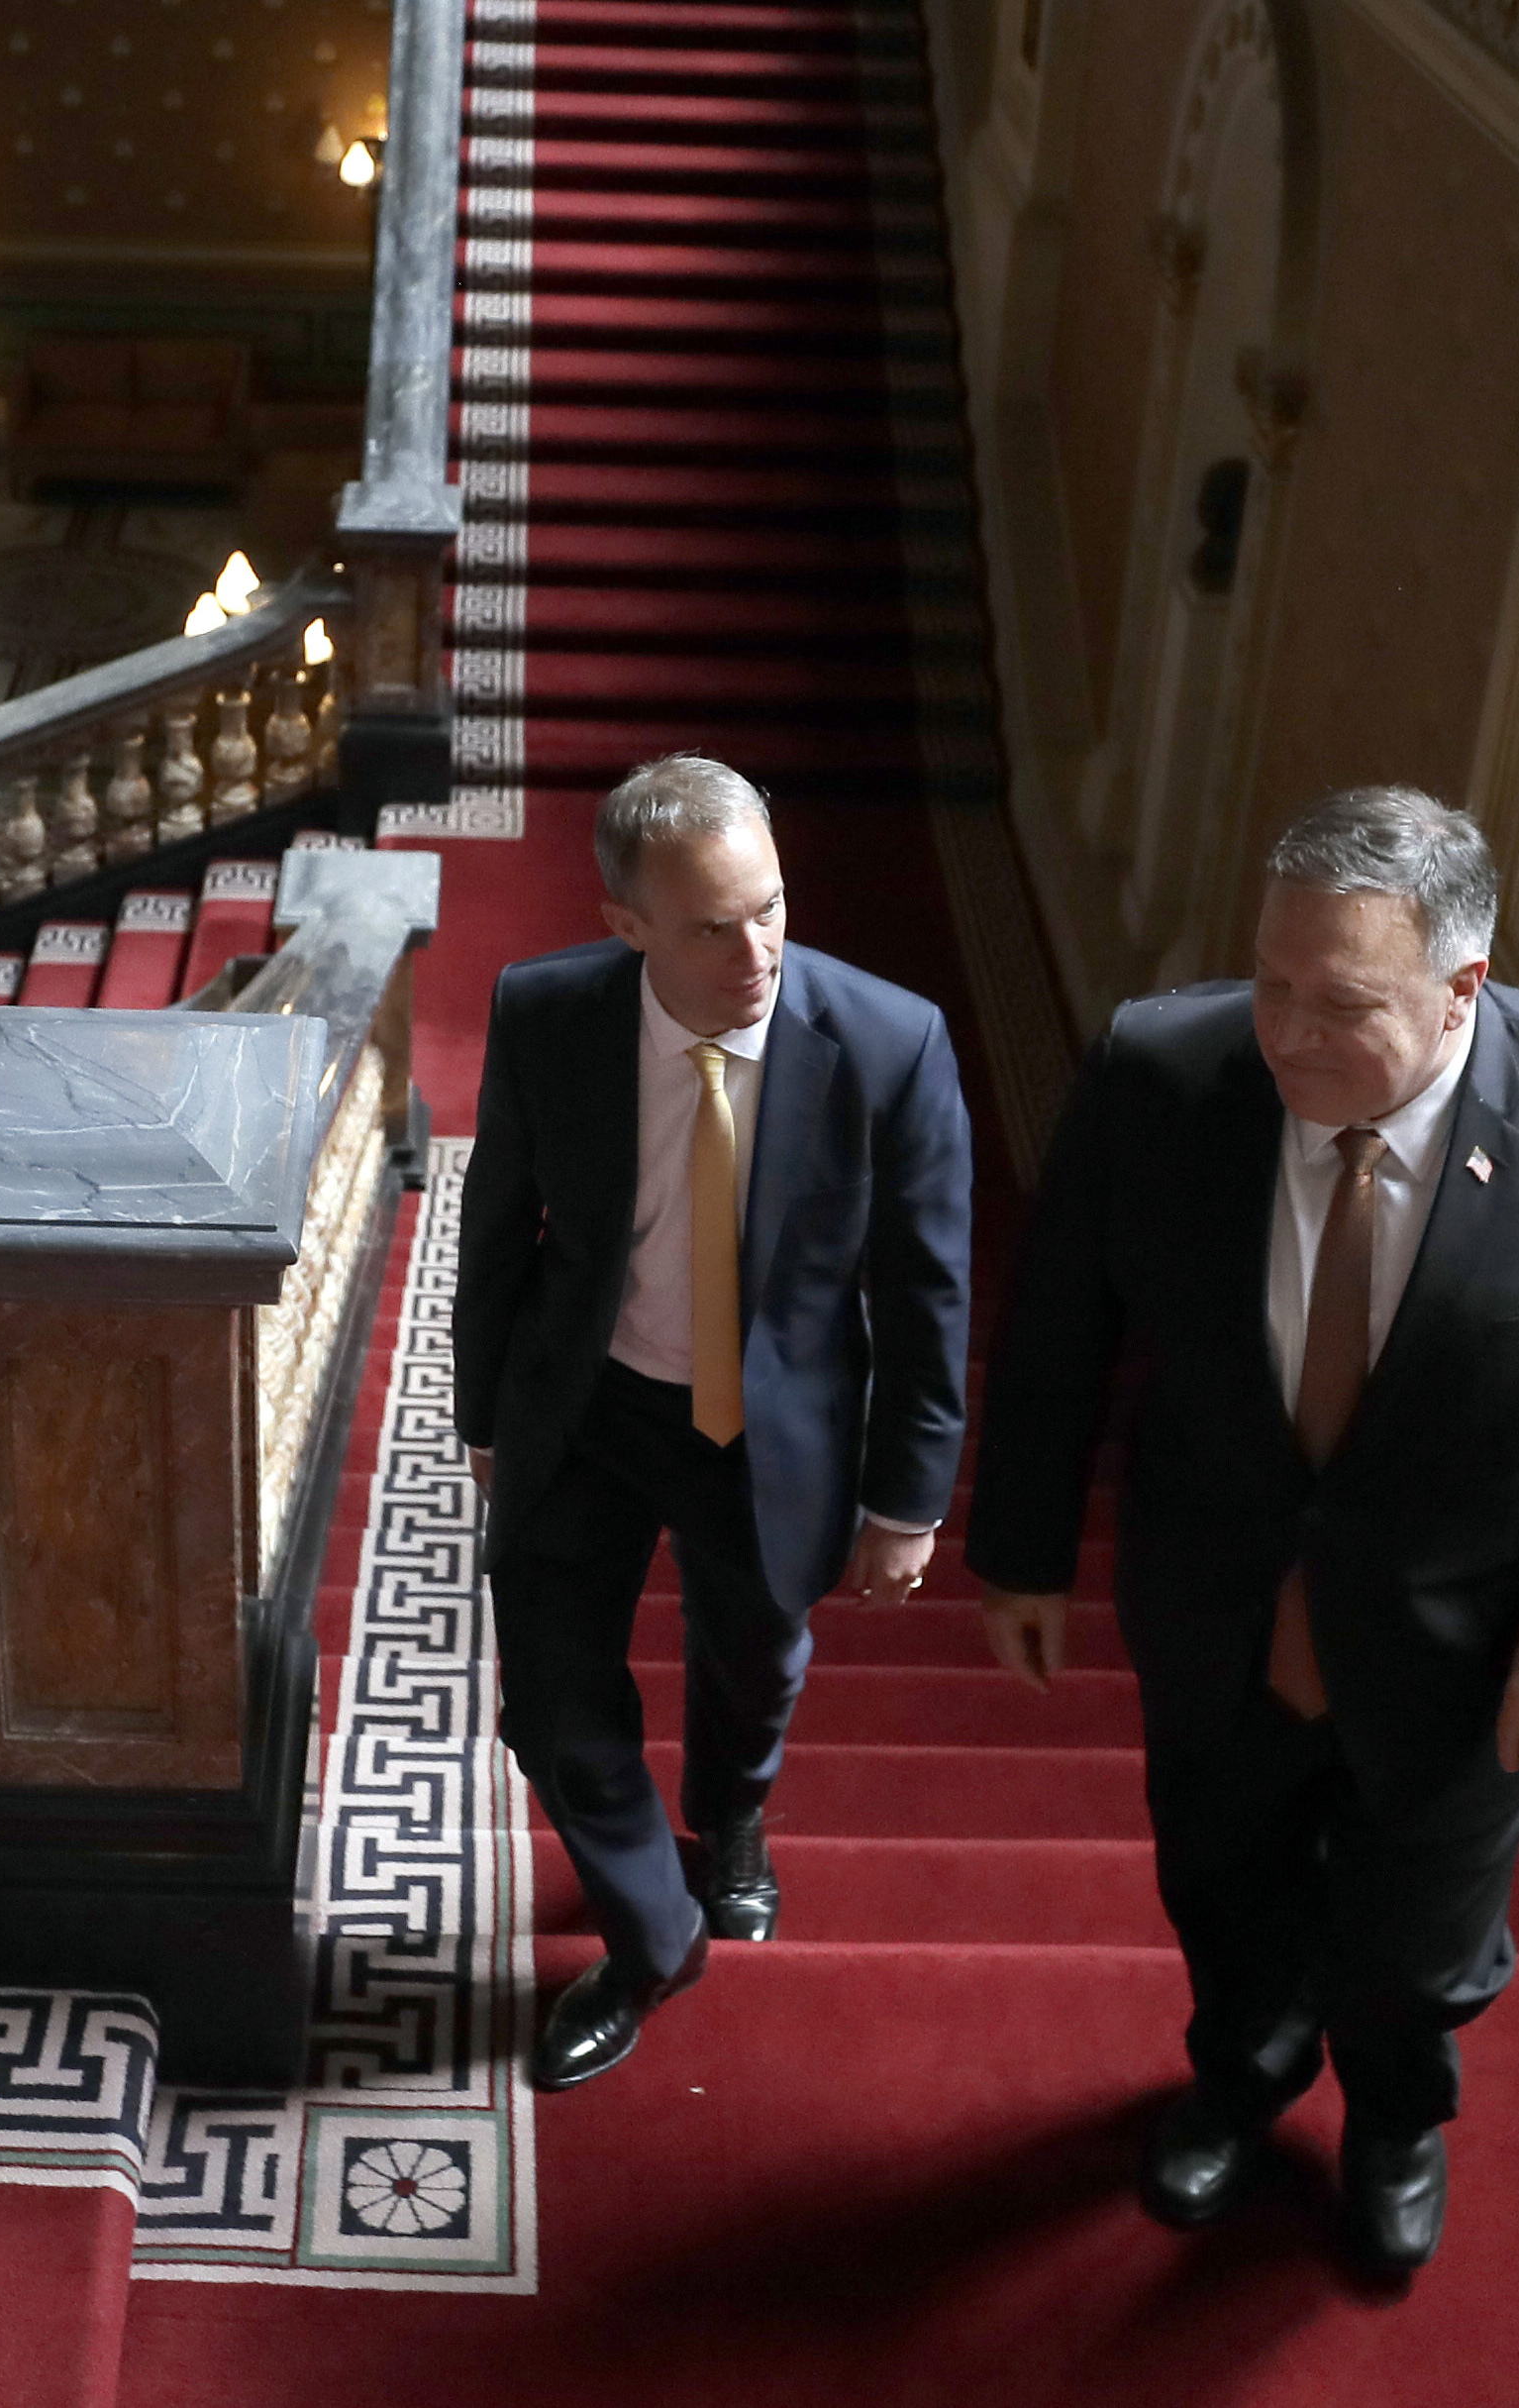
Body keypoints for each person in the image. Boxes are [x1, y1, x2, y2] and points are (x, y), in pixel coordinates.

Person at [965, 785, 1519, 2276]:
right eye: (1269, 980)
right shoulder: (1161, 1070)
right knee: (1219, 1882)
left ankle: (1394, 2119)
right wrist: (1020, 1549)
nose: (1281, 1031)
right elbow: (1058, 1331)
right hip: (1214, 1605)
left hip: (1470, 1647)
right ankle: (1240, 2079)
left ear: (1462, 985)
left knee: (1412, 1952)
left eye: (1336, 1003)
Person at [457, 752, 977, 2092]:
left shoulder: (887, 1040)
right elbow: (497, 1229)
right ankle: (650, 1936)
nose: (755, 949)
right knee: (550, 1710)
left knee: (753, 1662)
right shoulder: (544, 1012)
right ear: (623, 924)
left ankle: (730, 1820)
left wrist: (906, 1497)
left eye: (771, 908)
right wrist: (481, 1414)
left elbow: (926, 1286)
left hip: (773, 1427)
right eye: (708, 924)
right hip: (587, 1403)